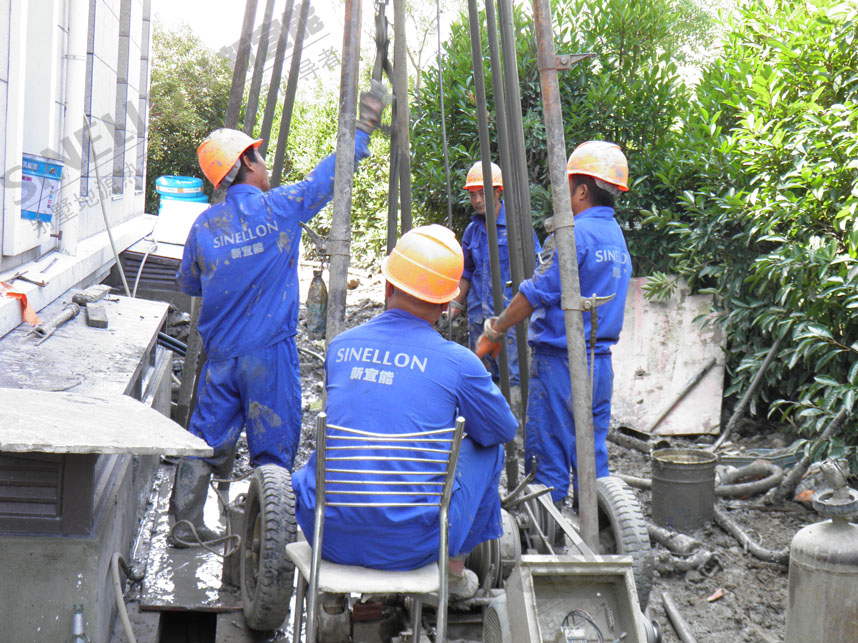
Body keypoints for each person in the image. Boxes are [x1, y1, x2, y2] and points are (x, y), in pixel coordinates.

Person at [169, 84, 389, 546]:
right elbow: (327, 180)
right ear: (246, 164)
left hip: (221, 359)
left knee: (205, 442)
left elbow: (190, 284)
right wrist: (363, 128)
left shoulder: (203, 226)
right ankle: (265, 541)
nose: (266, 166)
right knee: (273, 454)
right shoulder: (280, 208)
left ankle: (185, 526)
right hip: (269, 356)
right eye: (260, 158)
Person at [292, 225, 518, 594]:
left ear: (387, 286)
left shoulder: (341, 346)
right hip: (413, 548)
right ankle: (453, 571)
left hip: (326, 535)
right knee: (486, 448)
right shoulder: (458, 363)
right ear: (446, 305)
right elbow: (503, 430)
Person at [476, 141, 632, 506]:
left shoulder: (572, 234)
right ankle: (596, 530)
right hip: (601, 365)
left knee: (548, 454)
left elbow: (534, 294)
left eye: (567, 188)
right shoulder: (615, 236)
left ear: (581, 190)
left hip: (561, 363)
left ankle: (550, 540)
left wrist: (495, 329)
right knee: (591, 454)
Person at [450, 161, 541, 414]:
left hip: (510, 321)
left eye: (483, 193)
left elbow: (537, 271)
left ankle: (514, 435)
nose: (478, 200)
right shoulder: (472, 232)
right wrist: (456, 304)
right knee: (479, 374)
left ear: (498, 192)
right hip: (479, 319)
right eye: (472, 194)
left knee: (512, 377)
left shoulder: (517, 227)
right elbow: (466, 272)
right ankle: (485, 431)